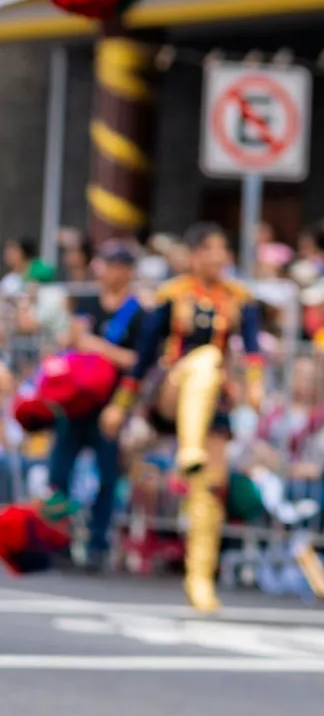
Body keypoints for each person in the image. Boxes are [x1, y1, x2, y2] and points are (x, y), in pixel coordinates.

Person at [102, 222, 264, 614]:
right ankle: (188, 449)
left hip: (214, 401)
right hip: (173, 391)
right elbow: (143, 358)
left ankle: (199, 577)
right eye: (210, 249)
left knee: (210, 486)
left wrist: (255, 387)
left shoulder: (239, 299)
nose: (218, 257)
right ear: (194, 255)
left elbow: (253, 350)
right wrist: (120, 405)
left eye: (223, 249)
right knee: (205, 359)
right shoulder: (172, 296)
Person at [47, 241, 144, 566]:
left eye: (115, 265)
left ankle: (97, 544)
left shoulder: (137, 312)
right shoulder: (87, 302)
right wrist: (71, 339)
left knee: (107, 477)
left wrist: (98, 346)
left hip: (110, 406)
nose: (108, 271)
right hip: (75, 404)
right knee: (59, 472)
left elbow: (137, 360)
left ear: (127, 271)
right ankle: (58, 539)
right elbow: (68, 343)